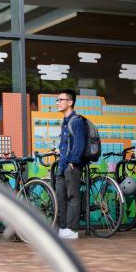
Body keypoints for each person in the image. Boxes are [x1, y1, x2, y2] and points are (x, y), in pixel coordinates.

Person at [55, 89, 87, 240]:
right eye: (58, 100)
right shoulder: (65, 121)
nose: (58, 102)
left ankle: (72, 230)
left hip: (71, 166)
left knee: (73, 196)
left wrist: (73, 162)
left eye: (61, 100)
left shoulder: (77, 120)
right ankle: (63, 228)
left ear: (70, 102)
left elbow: (80, 144)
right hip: (62, 165)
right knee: (60, 196)